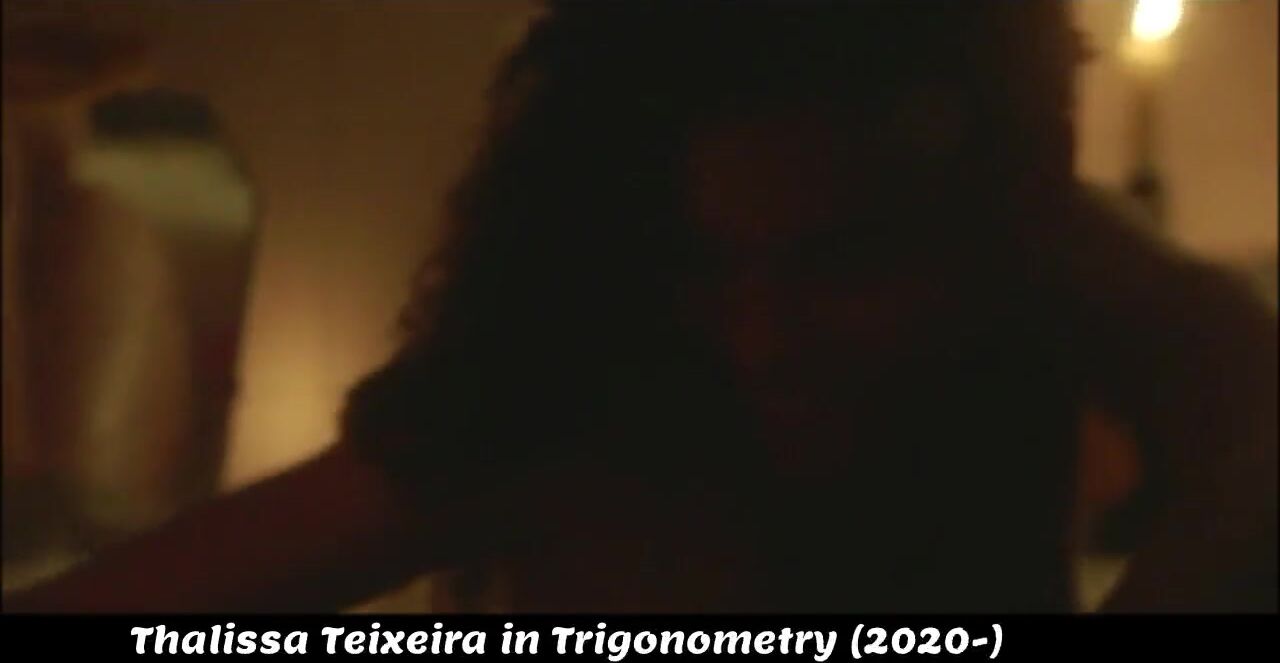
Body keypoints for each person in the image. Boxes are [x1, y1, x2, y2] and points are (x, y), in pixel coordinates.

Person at [7, 1, 1276, 613]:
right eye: (708, 267)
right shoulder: (570, 397)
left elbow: (1250, 411)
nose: (764, 337)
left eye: (838, 268)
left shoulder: (1042, 277)